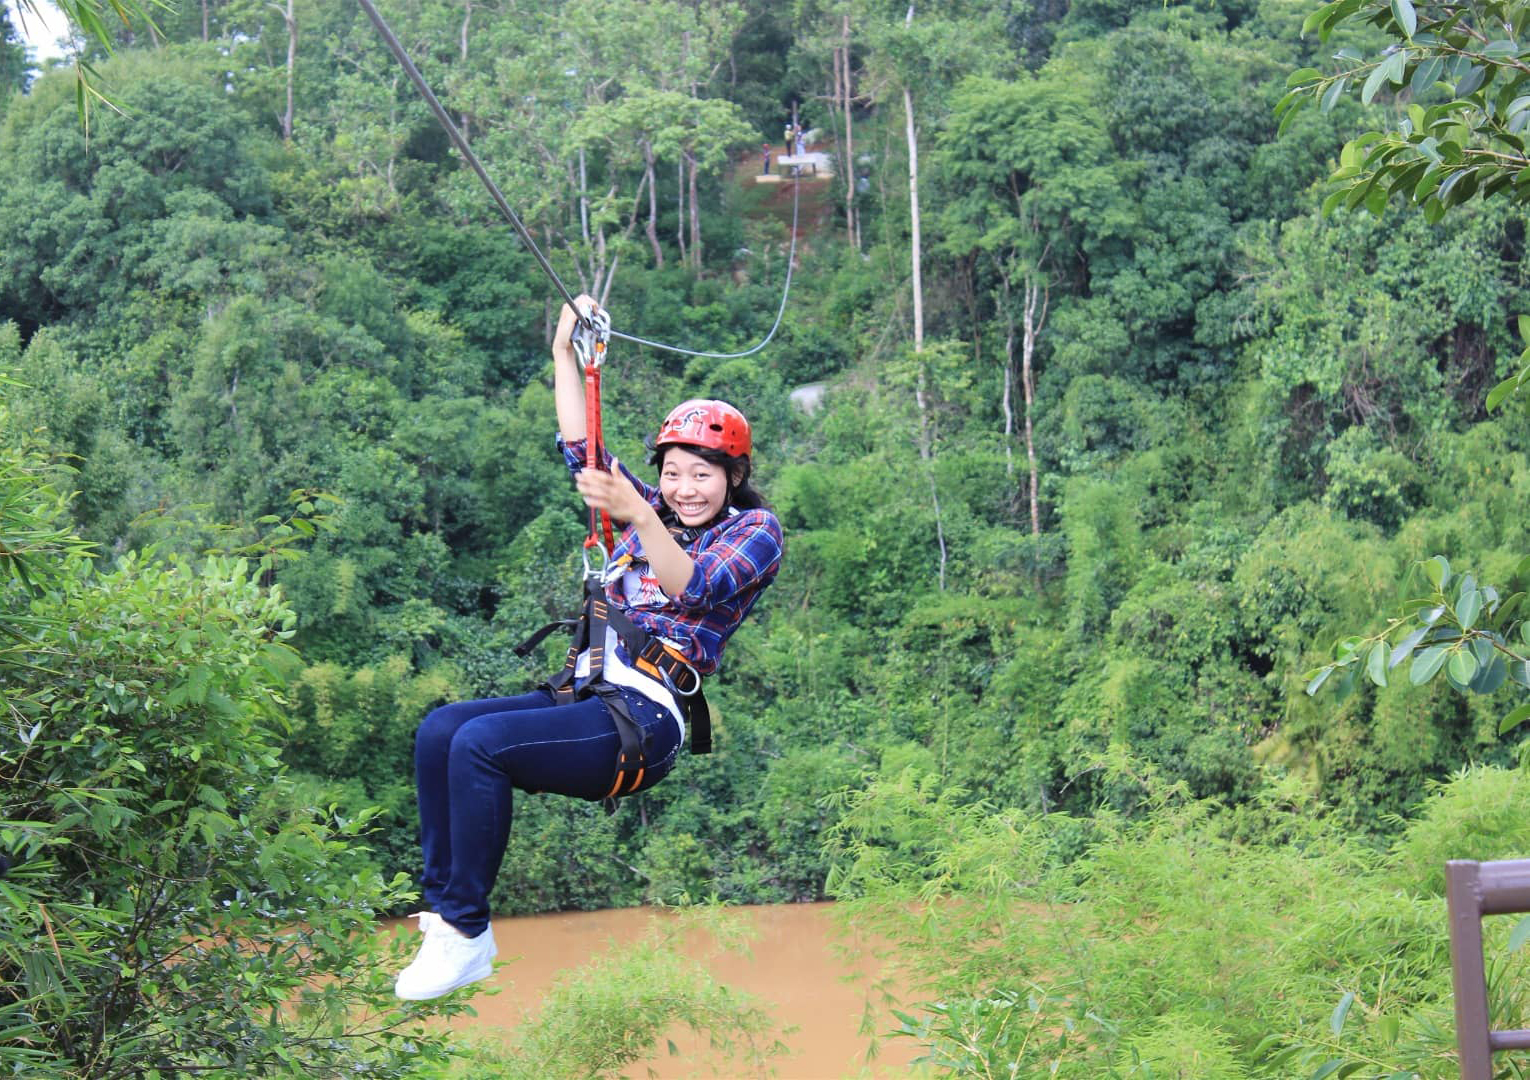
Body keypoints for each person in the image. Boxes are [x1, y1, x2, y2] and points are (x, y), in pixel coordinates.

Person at [393, 296, 785, 1001]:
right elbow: (585, 447)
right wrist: (563, 350)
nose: (684, 488)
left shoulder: (755, 530)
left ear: (733, 476)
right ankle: (448, 916)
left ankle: (467, 928)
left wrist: (636, 512)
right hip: (592, 693)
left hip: (647, 718)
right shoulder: (645, 511)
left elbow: (694, 587)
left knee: (480, 745)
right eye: (672, 473)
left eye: (703, 474)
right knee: (440, 730)